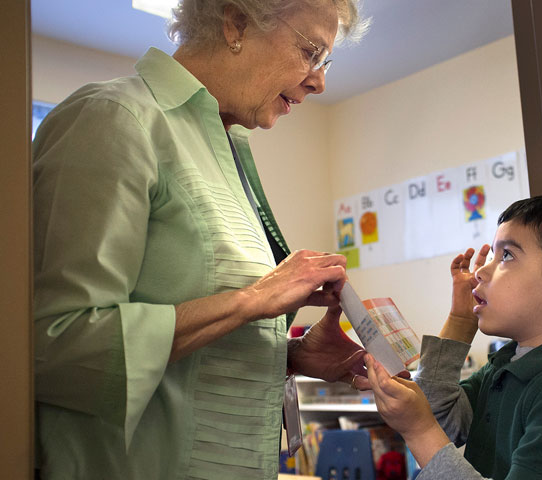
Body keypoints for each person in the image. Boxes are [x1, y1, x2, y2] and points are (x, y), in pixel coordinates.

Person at [32, 1, 369, 478]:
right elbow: (54, 347)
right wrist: (250, 300)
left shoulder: (225, 149)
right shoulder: (114, 119)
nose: (319, 81)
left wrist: (289, 357)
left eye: (323, 61)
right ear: (235, 23)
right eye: (310, 51)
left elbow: (189, 346)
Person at [363, 193, 542, 479]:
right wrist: (460, 320)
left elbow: (427, 427)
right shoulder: (511, 363)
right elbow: (439, 420)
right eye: (493, 254)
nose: (480, 271)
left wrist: (418, 430)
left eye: (507, 255)